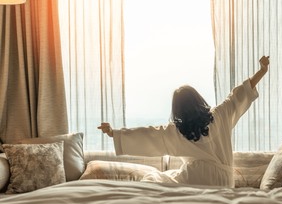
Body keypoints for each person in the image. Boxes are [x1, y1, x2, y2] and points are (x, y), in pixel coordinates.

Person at [98, 56, 269, 188]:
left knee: (154, 178)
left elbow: (149, 135)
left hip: (196, 178)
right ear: (198, 99)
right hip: (224, 181)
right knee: (169, 175)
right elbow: (239, 94)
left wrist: (115, 133)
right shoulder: (221, 114)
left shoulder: (177, 131)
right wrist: (262, 70)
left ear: (177, 110)